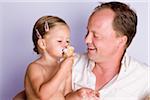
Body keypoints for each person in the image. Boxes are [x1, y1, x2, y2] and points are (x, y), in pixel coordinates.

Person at [65, 1, 149, 100]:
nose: (86, 40)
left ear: (121, 41)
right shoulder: (68, 64)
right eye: (88, 32)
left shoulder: (145, 77)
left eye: (96, 36)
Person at [14, 15, 75, 100]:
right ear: (43, 44)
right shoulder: (35, 68)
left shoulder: (65, 67)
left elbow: (67, 95)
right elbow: (43, 95)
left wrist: (79, 94)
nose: (66, 45)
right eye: (59, 41)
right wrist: (62, 70)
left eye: (67, 41)